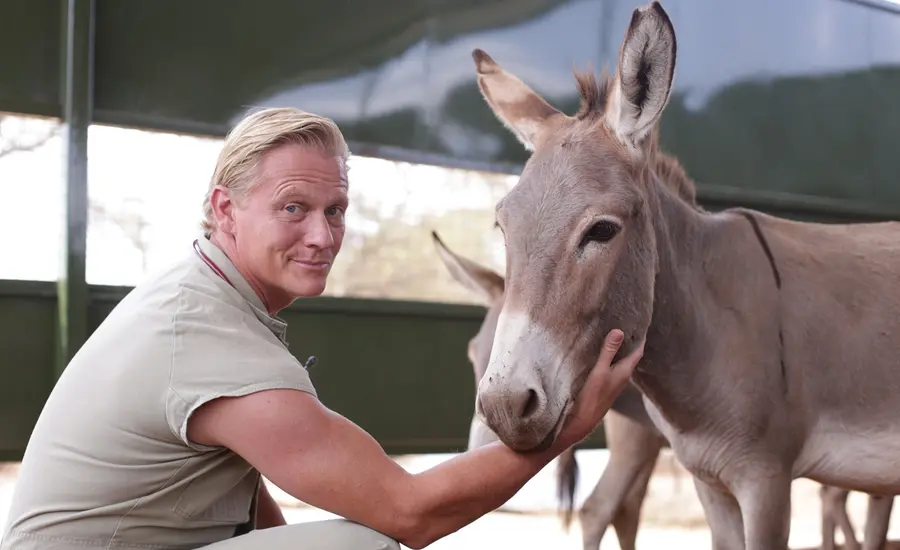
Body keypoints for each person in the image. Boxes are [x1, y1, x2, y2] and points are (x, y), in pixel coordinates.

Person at [0, 107, 644, 550]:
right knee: (364, 542)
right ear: (226, 208)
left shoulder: (203, 296)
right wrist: (571, 429)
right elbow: (410, 511)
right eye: (293, 208)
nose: (322, 235)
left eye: (335, 210)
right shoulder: (203, 334)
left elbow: (247, 503)